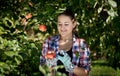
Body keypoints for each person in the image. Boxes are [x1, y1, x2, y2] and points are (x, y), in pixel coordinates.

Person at [40, 9, 91, 76]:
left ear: (73, 24)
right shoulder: (49, 42)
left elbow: (85, 73)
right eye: (60, 24)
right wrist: (49, 67)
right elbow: (42, 69)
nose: (62, 28)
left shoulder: (81, 45)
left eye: (66, 24)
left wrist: (70, 66)